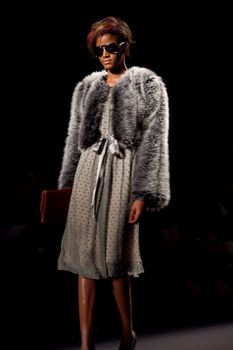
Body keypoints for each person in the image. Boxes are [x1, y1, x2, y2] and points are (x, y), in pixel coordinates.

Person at [57, 15, 170, 350]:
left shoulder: (147, 85)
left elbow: (154, 141)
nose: (104, 54)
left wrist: (143, 193)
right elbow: (74, 140)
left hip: (123, 170)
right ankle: (86, 344)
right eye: (98, 50)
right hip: (89, 171)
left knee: (117, 259)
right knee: (84, 259)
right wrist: (66, 187)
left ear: (125, 45)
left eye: (110, 47)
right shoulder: (86, 87)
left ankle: (126, 332)